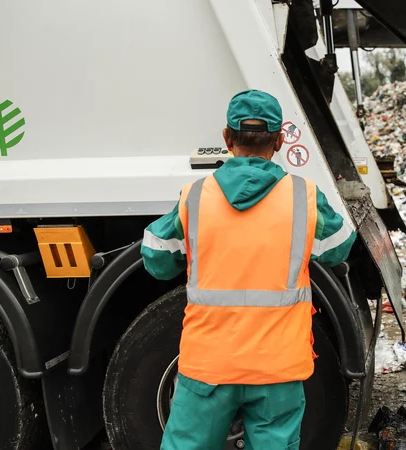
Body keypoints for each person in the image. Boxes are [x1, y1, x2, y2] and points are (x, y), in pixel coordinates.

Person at [140, 89, 356, 450]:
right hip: (278, 367)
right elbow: (339, 247)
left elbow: (157, 260)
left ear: (227, 138)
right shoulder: (304, 196)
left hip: (208, 366)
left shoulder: (195, 196)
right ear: (281, 140)